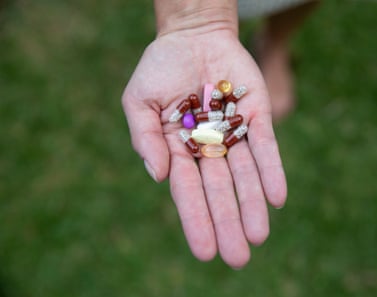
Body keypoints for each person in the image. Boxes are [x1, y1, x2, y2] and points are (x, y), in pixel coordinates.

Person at [121, 0, 318, 269]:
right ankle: (232, 32)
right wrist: (193, 22)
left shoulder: (215, 116)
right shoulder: (207, 118)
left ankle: (274, 44)